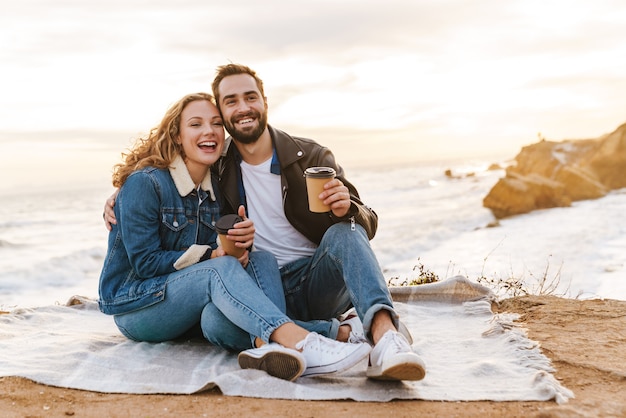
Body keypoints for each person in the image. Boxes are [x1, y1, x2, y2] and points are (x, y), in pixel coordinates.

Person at [98, 92, 370, 382]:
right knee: (218, 269)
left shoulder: (215, 187)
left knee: (257, 262)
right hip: (139, 306)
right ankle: (303, 341)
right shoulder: (146, 183)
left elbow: (222, 254)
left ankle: (269, 345)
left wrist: (237, 244)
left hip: (189, 306)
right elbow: (145, 262)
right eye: (196, 124)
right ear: (177, 135)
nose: (209, 131)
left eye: (216, 123)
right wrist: (213, 256)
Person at [209, 64, 426, 381]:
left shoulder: (310, 155)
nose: (243, 108)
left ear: (265, 102)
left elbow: (368, 222)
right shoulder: (216, 167)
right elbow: (168, 175)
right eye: (231, 101)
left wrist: (346, 209)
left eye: (250, 97)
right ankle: (343, 334)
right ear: (222, 112)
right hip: (261, 285)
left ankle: (384, 335)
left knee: (345, 231)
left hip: (315, 284)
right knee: (214, 321)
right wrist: (121, 195)